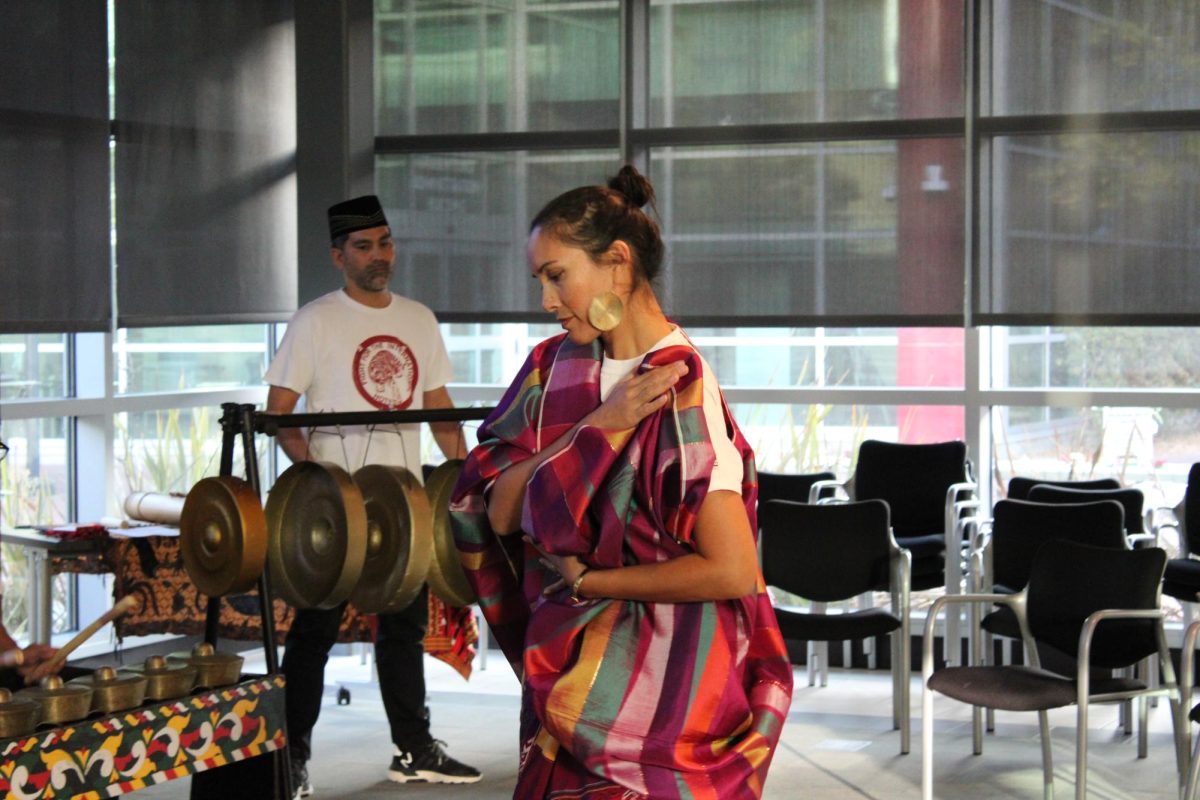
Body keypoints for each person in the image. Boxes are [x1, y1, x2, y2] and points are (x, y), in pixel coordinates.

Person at [450, 166, 793, 799]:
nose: (547, 301)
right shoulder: (550, 369)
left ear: (616, 262)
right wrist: (599, 428)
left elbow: (731, 571)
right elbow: (495, 509)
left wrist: (587, 582)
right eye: (541, 281)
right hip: (565, 678)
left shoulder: (681, 388)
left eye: (557, 277)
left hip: (667, 690)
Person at [265, 195, 481, 797]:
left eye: (385, 242)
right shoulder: (315, 321)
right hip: (334, 520)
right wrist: (319, 488)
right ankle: (293, 761)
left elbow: (439, 408)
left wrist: (460, 480)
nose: (379, 255)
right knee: (313, 638)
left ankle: (414, 749)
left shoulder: (417, 318)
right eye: (364, 246)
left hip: (404, 508)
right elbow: (279, 415)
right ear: (339, 257)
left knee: (404, 630)